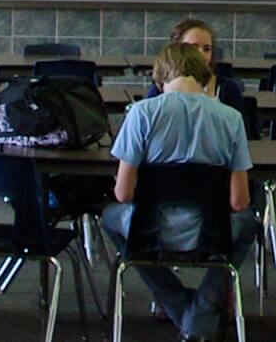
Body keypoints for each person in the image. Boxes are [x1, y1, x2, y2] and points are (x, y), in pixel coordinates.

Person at [102, 42, 259, 342]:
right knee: (249, 223)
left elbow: (122, 194)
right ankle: (200, 314)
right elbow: (240, 202)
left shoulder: (141, 113)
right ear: (202, 76)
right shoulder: (231, 118)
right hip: (213, 233)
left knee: (110, 218)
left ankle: (180, 305)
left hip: (150, 230)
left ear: (160, 77)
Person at [155, 18, 245, 111]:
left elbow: (240, 123)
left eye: (206, 49)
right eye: (193, 47)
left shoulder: (228, 89)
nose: (200, 54)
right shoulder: (162, 86)